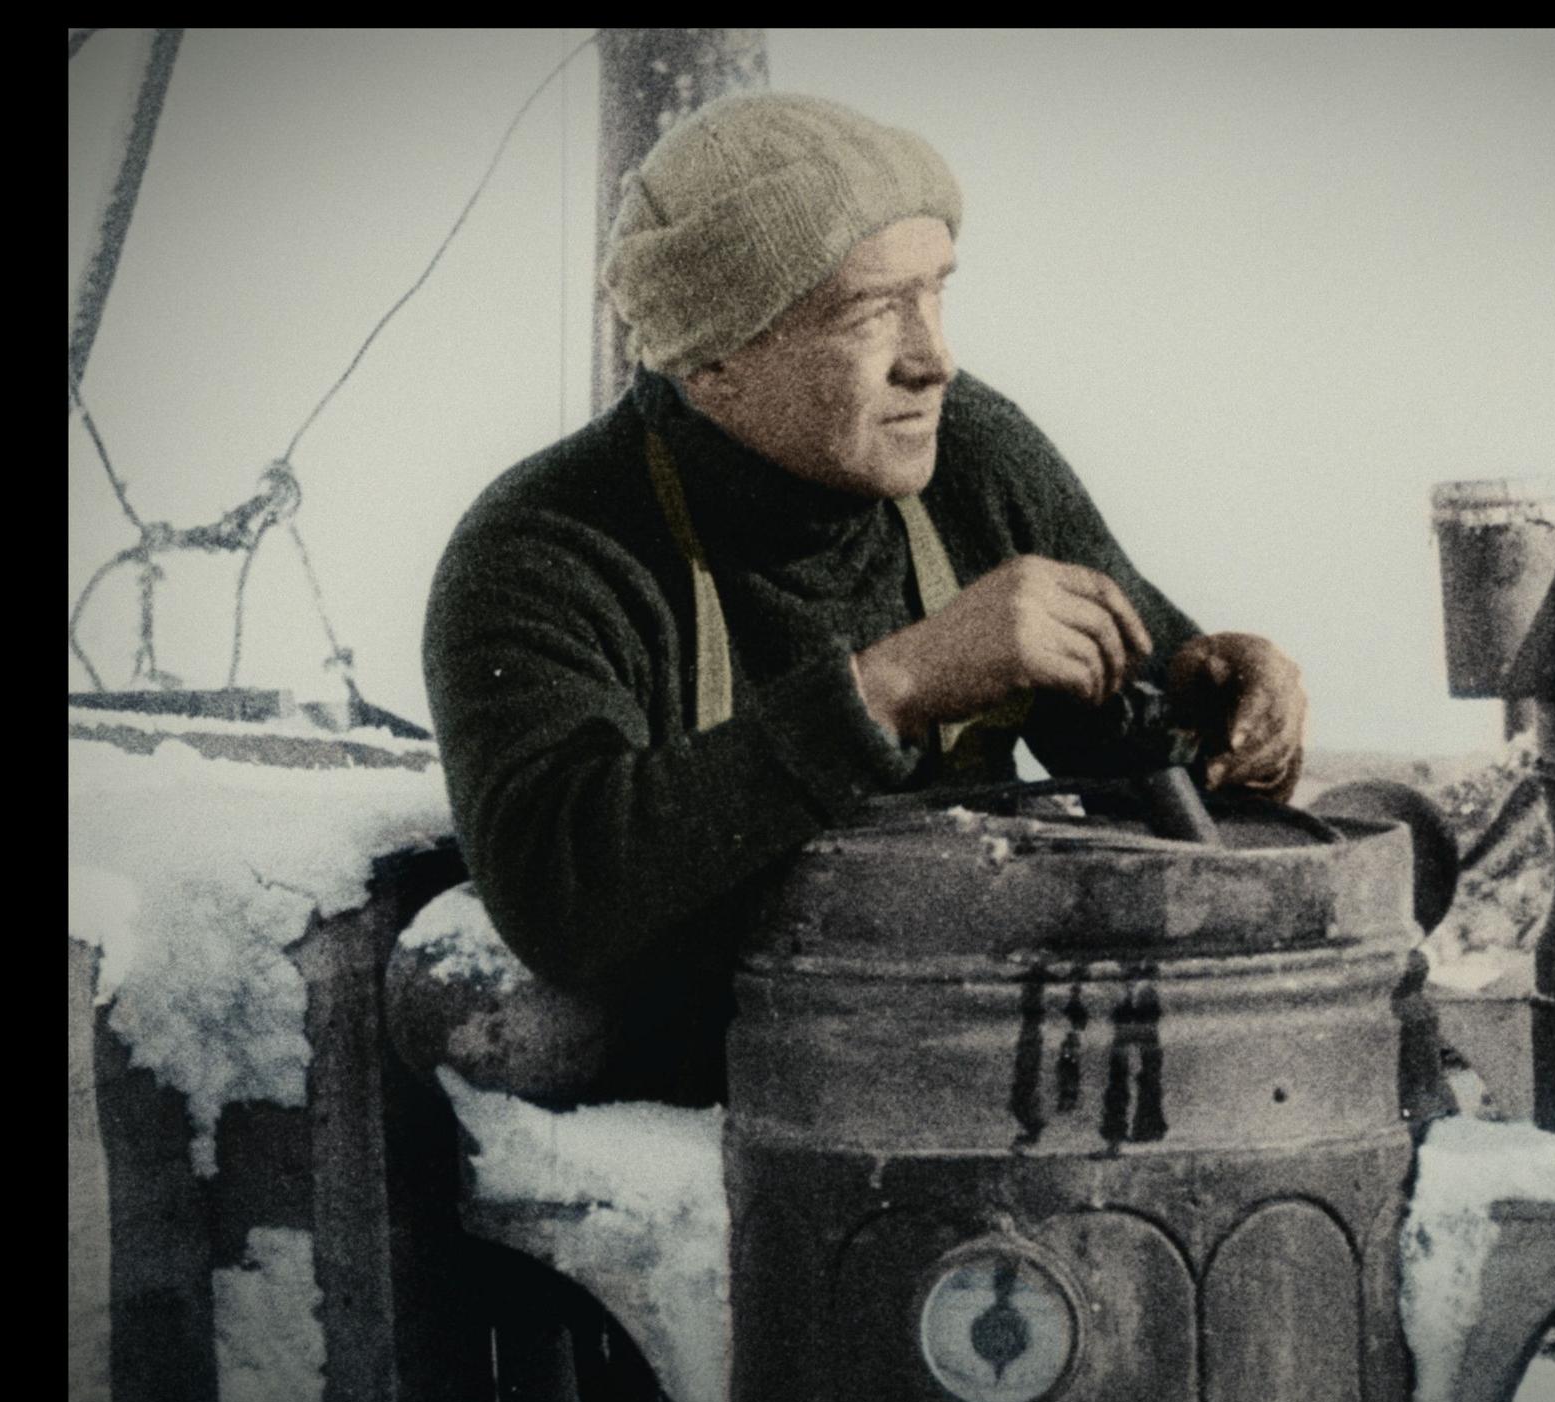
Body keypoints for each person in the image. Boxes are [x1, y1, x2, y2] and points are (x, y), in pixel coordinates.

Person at [424, 92, 1307, 1105]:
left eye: (934, 293)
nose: (932, 357)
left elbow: (1148, 767)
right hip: (716, 1118)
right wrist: (892, 688)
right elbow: (558, 895)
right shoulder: (548, 545)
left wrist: (1224, 713)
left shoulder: (970, 455)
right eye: (869, 309)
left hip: (986, 1061)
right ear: (714, 361)